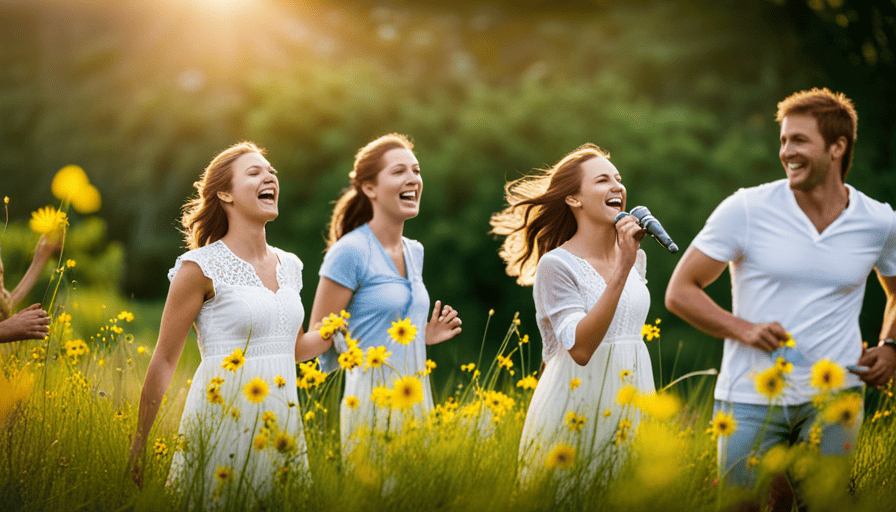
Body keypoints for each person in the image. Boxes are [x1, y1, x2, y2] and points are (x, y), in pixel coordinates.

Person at [665, 88, 896, 504]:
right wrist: (743, 329)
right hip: (750, 398)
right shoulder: (746, 209)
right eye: (784, 141)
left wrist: (891, 345)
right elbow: (680, 291)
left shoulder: (879, 221)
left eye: (799, 140)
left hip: (835, 394)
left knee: (826, 504)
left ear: (837, 147)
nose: (787, 151)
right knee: (745, 506)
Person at [130, 142, 324, 505]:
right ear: (224, 193)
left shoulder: (292, 266)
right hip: (223, 418)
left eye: (271, 173)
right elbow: (165, 360)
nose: (269, 177)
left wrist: (338, 331)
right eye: (254, 173)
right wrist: (138, 445)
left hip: (281, 422)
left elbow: (295, 349)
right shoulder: (198, 268)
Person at [490, 143, 653, 489]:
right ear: (574, 199)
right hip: (578, 403)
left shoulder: (635, 258)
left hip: (633, 396)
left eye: (618, 179)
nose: (617, 187)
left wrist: (626, 261)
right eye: (602, 180)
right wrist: (623, 267)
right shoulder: (557, 266)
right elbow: (579, 350)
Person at [308, 133, 462, 453]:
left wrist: (422, 336)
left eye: (416, 171)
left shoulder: (414, 251)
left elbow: (388, 324)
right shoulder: (348, 252)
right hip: (370, 404)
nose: (412, 179)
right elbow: (319, 335)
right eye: (399, 172)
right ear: (370, 188)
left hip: (417, 399)